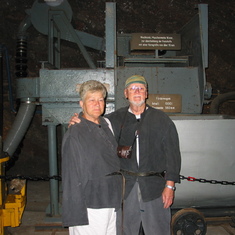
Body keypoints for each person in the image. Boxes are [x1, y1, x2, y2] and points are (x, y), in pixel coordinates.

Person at [69, 75, 181, 235]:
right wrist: (77, 118)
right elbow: (92, 120)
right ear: (126, 93)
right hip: (125, 188)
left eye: (141, 88)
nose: (137, 92)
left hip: (154, 188)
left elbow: (173, 155)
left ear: (146, 93)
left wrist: (170, 186)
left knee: (158, 229)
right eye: (133, 88)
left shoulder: (162, 120)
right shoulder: (113, 119)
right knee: (125, 230)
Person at [62, 80, 122, 235]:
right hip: (91, 203)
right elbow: (71, 175)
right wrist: (76, 210)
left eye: (101, 100)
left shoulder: (107, 124)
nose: (97, 104)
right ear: (82, 103)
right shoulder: (75, 133)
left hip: (111, 199)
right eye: (92, 100)